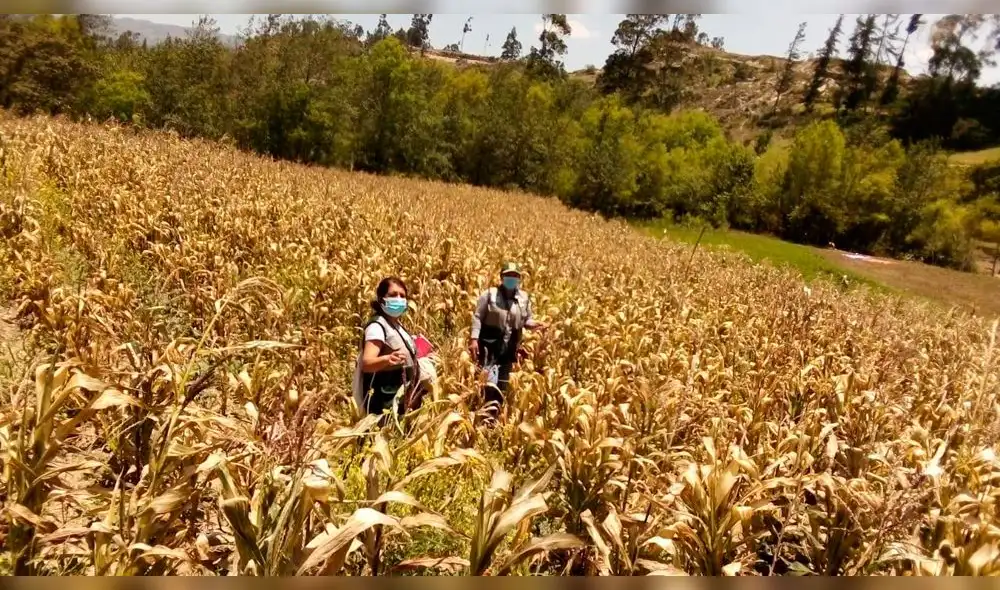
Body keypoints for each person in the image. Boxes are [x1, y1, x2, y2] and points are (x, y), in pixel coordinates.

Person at [468, 262, 547, 422]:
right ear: (501, 277)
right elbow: (477, 317)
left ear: (519, 278)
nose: (512, 279)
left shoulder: (524, 298)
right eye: (508, 275)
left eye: (515, 276)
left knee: (502, 385)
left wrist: (535, 325)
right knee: (489, 384)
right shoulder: (489, 295)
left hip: (508, 350)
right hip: (489, 347)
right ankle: (485, 418)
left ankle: (493, 418)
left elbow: (526, 320)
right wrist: (474, 339)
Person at [352, 276, 426, 420]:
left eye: (402, 296)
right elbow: (367, 363)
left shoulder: (396, 325)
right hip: (385, 400)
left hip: (402, 398)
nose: (398, 299)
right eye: (393, 295)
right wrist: (387, 359)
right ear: (381, 299)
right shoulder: (377, 326)